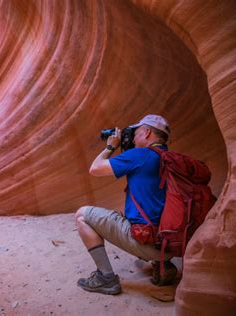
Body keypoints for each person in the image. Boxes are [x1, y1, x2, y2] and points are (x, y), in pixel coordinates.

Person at [75, 114, 177, 295]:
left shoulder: (140, 155)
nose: (133, 138)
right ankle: (163, 264)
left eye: (136, 133)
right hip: (171, 244)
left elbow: (95, 169)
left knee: (82, 215)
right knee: (144, 212)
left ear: (146, 133)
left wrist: (111, 146)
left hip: (146, 242)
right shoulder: (171, 158)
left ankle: (105, 278)